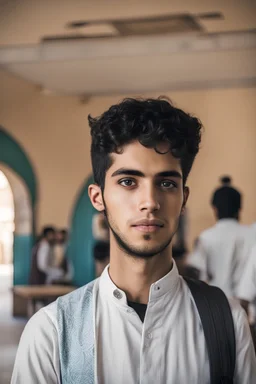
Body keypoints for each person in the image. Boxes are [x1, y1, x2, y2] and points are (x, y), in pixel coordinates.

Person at [12, 98, 256, 383]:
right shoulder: (50, 332)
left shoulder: (228, 323)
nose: (150, 202)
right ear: (98, 197)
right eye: (128, 181)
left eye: (166, 183)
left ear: (183, 199)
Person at [187, 177, 250, 299]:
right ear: (240, 208)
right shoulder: (250, 235)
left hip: (216, 304)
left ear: (214, 208)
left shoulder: (205, 237)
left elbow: (197, 273)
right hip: (247, 307)